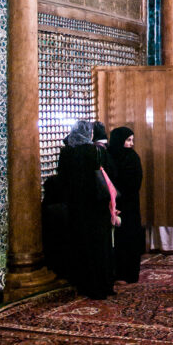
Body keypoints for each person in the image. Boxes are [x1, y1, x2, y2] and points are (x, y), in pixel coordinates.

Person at [58, 122, 116, 299]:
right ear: (90, 134)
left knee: (83, 245)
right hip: (97, 206)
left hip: (78, 207)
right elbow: (110, 175)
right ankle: (103, 285)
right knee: (101, 246)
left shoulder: (66, 153)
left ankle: (85, 285)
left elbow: (62, 180)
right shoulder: (97, 151)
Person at [107, 126, 144, 284]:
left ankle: (129, 273)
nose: (131, 144)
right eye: (128, 140)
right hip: (114, 204)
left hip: (128, 204)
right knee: (118, 240)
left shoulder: (132, 158)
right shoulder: (110, 156)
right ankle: (118, 272)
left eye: (132, 140)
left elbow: (134, 182)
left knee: (129, 238)